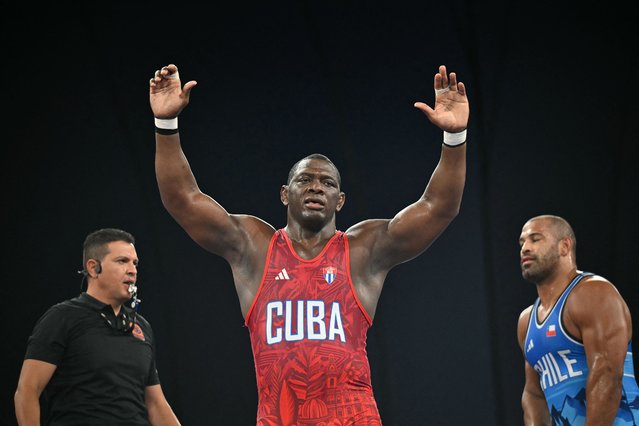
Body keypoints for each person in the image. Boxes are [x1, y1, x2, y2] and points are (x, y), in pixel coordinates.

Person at [149, 63, 469, 425]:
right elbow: (183, 199)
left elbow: (438, 208)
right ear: (285, 194)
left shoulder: (363, 251)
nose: (316, 186)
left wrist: (455, 138)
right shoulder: (254, 247)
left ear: (340, 200)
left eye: (328, 183)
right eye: (305, 180)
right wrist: (166, 126)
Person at [14, 228, 181, 426]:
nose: (133, 270)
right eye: (122, 261)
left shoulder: (141, 327)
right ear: (93, 268)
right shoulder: (62, 317)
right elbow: (27, 391)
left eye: (135, 263)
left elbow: (155, 403)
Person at [517, 215, 639, 425]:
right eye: (522, 242)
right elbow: (533, 394)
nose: (525, 248)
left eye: (535, 239)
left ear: (564, 246)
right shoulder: (526, 321)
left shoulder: (594, 293)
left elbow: (607, 375)